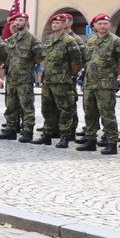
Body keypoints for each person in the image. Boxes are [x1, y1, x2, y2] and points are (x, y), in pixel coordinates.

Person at [32, 14, 84, 148]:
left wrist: (67, 74)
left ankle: (65, 136)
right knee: (47, 108)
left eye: (58, 22)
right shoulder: (49, 39)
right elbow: (44, 58)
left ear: (64, 24)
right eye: (53, 22)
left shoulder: (69, 40)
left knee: (65, 109)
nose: (55, 25)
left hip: (62, 81)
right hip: (49, 80)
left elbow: (77, 62)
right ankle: (47, 134)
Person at [75, 13, 120, 155]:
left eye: (105, 24)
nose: (102, 26)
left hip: (106, 84)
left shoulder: (115, 41)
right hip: (90, 83)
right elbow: (86, 61)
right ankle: (90, 140)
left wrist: (114, 76)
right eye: (99, 23)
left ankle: (112, 142)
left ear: (109, 25)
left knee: (107, 113)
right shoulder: (91, 40)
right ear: (94, 26)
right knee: (89, 113)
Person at [0, 12, 42, 142]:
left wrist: (26, 66)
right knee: (11, 105)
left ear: (27, 22)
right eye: (16, 21)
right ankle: (11, 129)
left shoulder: (32, 39)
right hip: (11, 78)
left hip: (24, 79)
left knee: (26, 106)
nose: (18, 23)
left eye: (21, 20)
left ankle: (27, 131)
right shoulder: (12, 39)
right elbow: (6, 57)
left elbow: (39, 57)